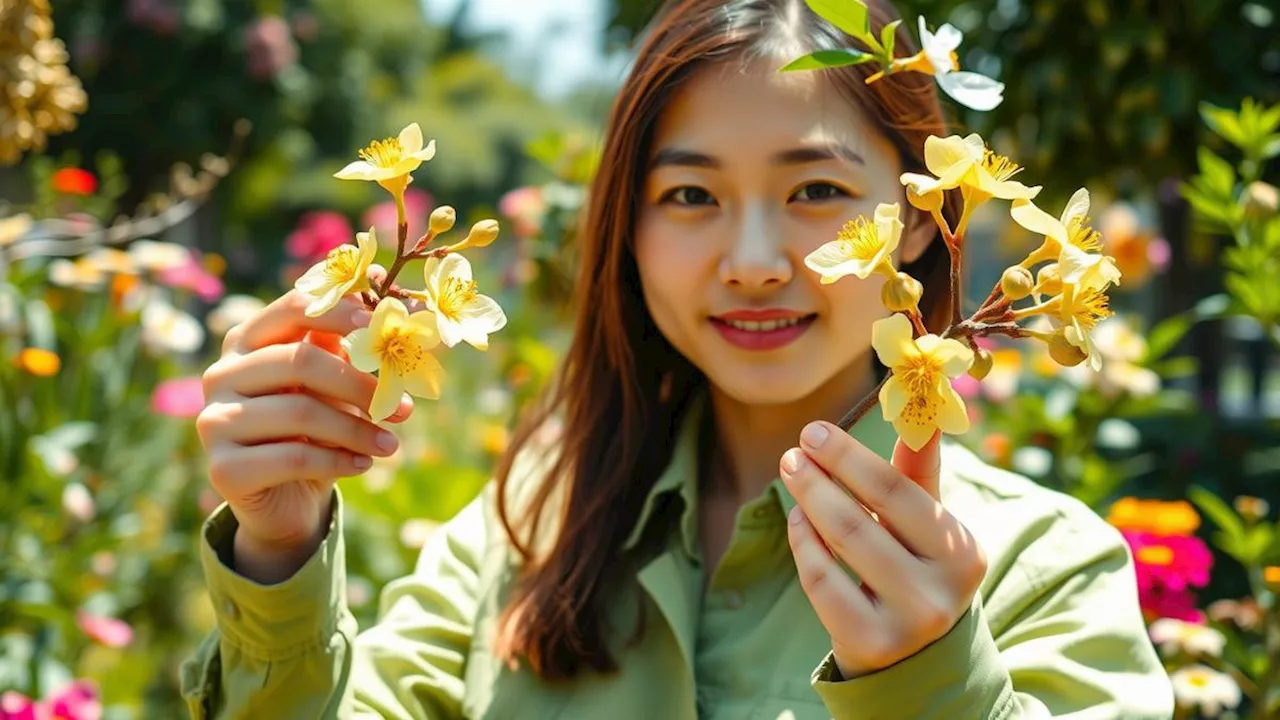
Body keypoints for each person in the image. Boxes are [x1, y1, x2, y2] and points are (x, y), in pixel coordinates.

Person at [181, 0, 1174, 717]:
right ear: (628, 230)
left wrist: (931, 677)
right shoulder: (527, 525)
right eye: (690, 197)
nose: (750, 265)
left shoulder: (1039, 569)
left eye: (816, 191)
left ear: (923, 219)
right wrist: (278, 553)